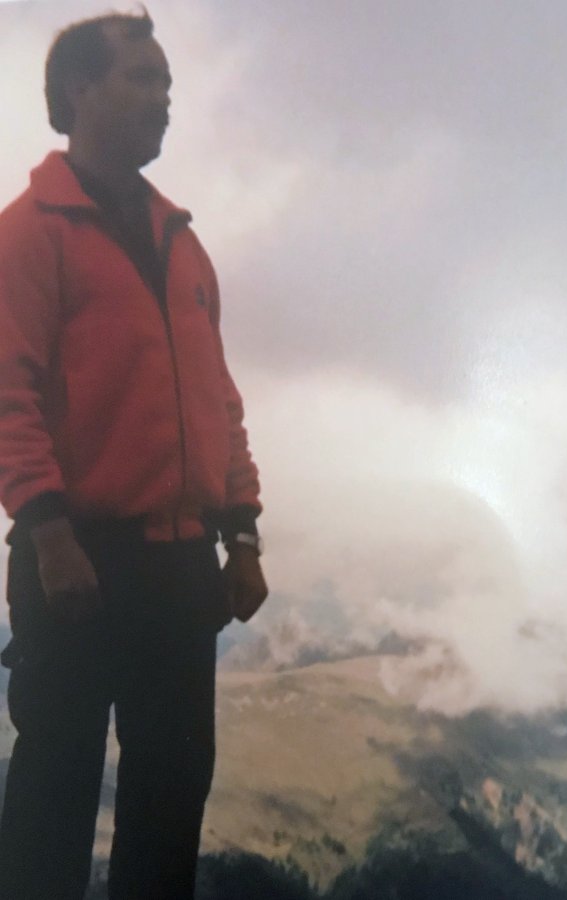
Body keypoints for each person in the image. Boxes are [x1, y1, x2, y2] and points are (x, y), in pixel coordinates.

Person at [0, 10, 268, 899]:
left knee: (171, 797)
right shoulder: (29, 233)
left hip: (182, 567)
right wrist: (49, 534)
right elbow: (7, 392)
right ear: (79, 91)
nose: (162, 100)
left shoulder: (182, 243)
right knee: (54, 798)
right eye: (141, 80)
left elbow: (218, 399)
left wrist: (242, 536)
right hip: (78, 559)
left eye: (167, 85)